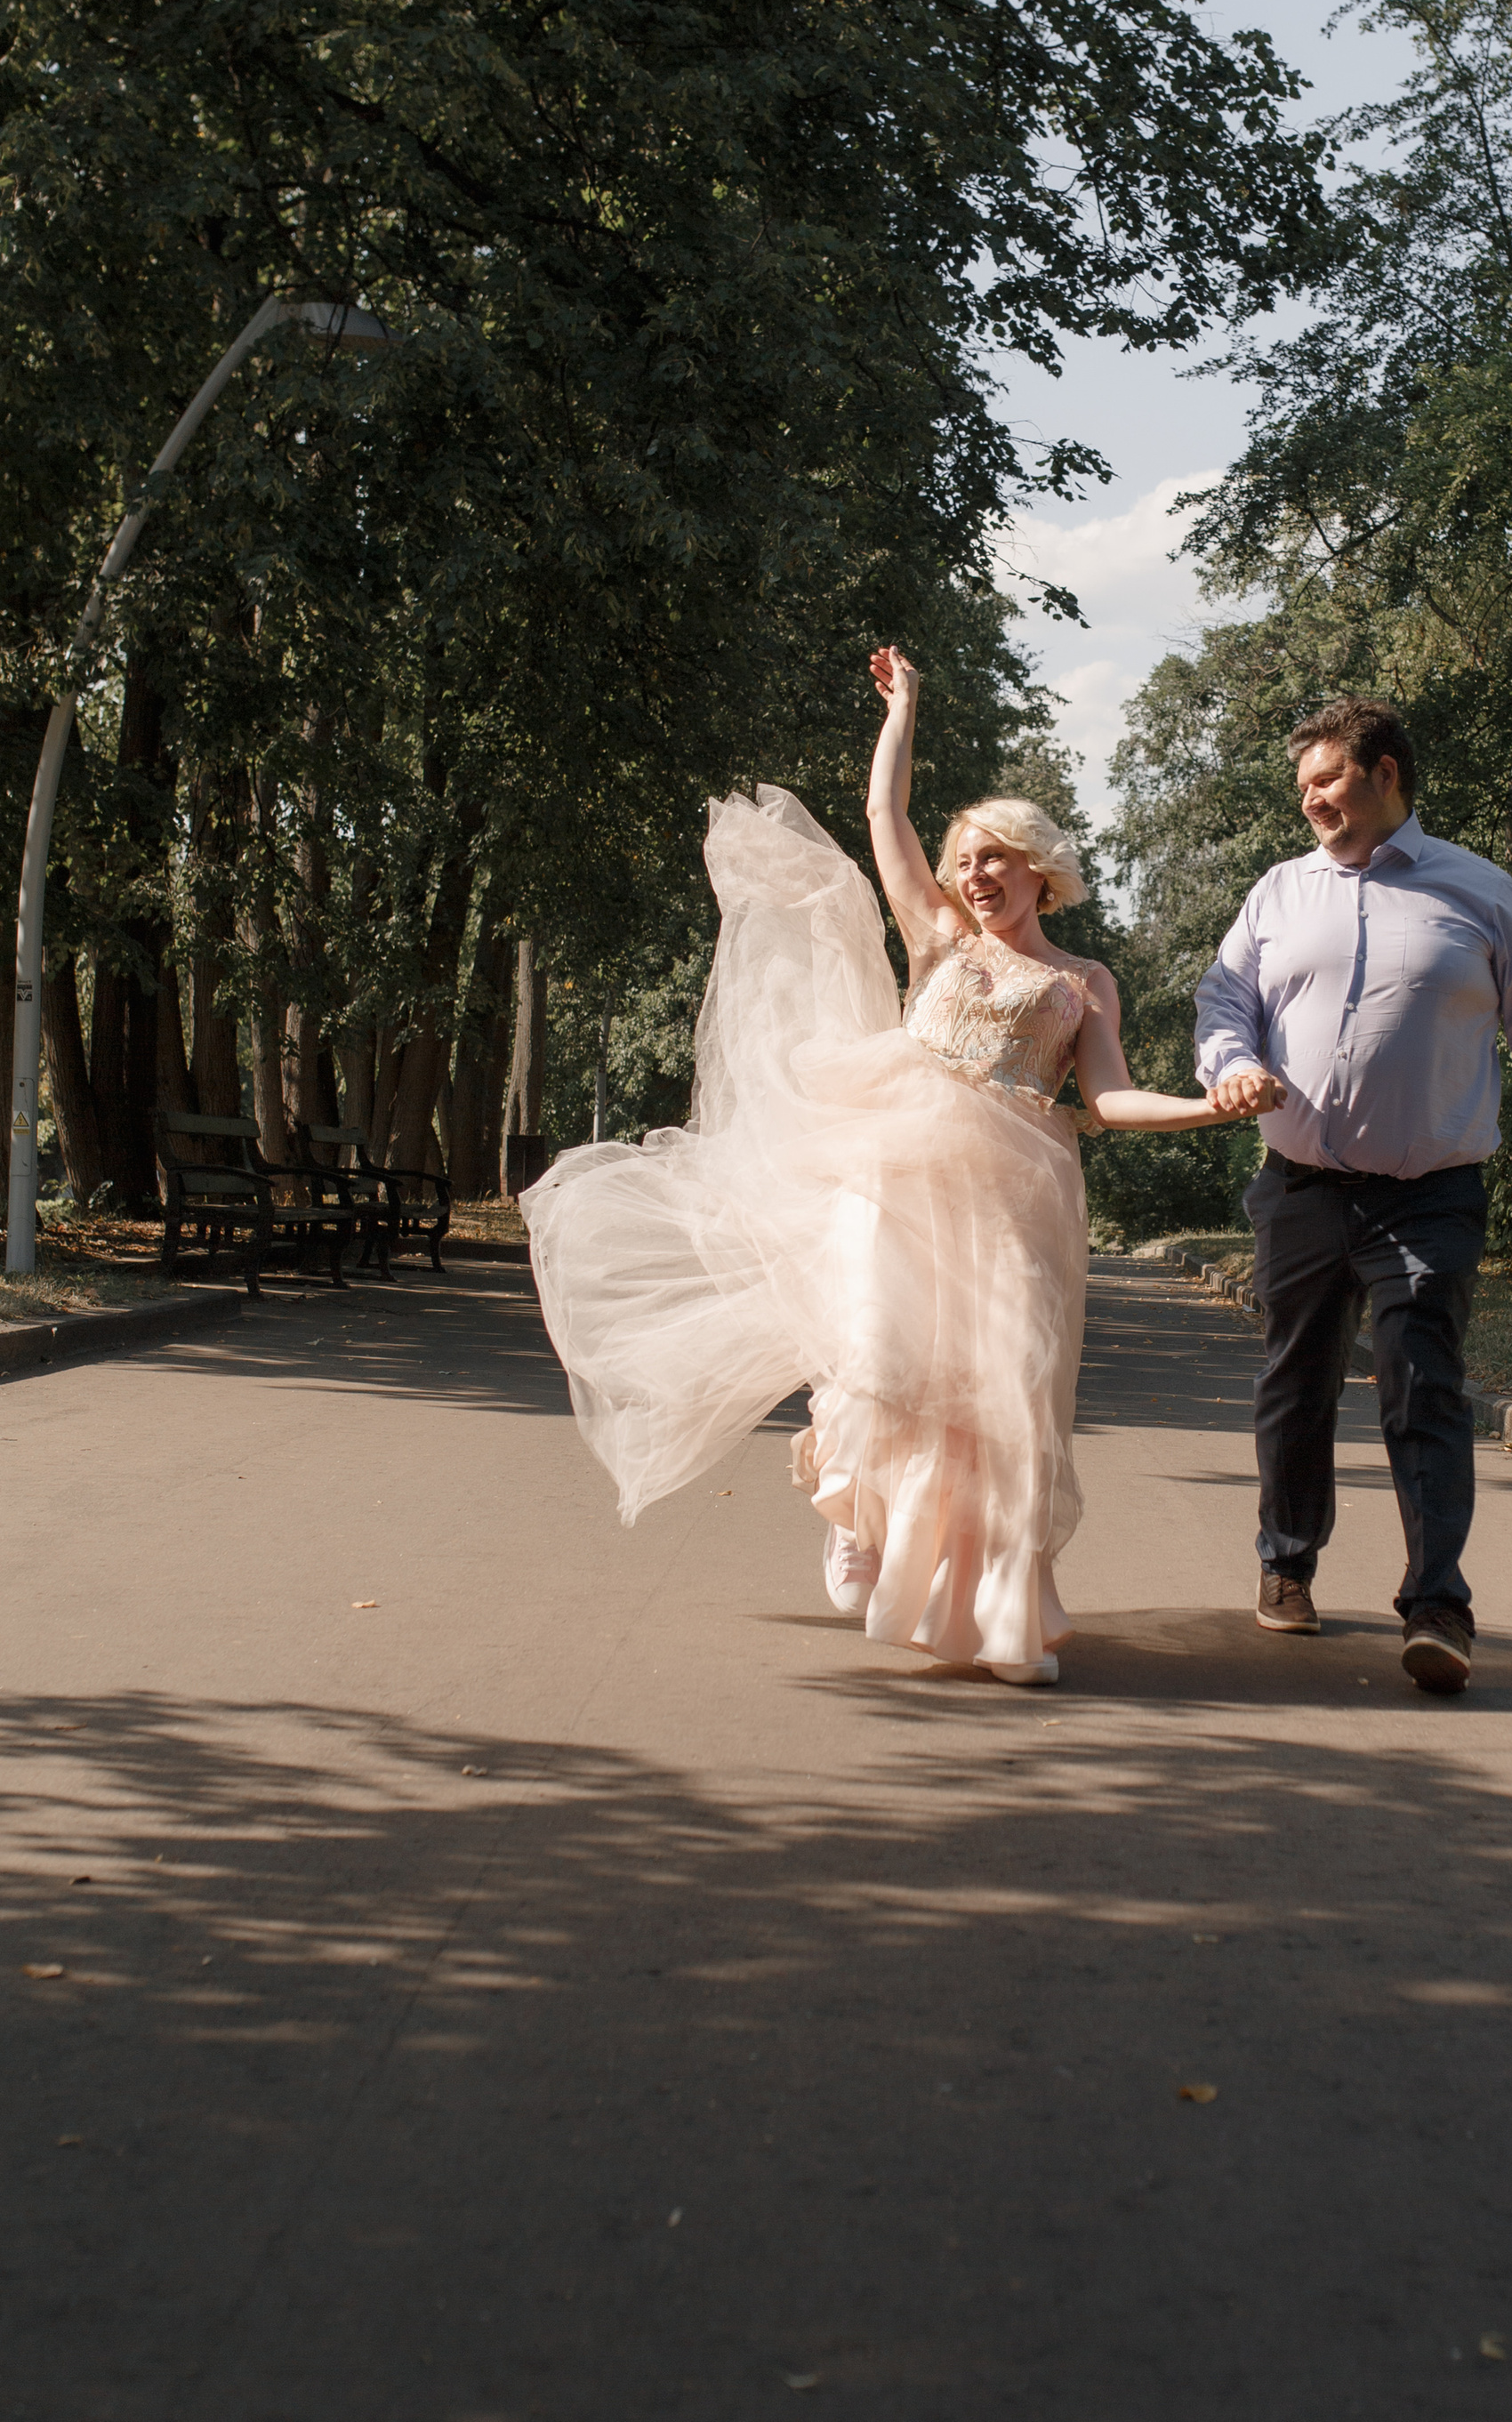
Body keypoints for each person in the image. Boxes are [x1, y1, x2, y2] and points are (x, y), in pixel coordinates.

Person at [526, 645, 1270, 1689]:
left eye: (993, 858)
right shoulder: (938, 939)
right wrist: (903, 709)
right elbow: (887, 821)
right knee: (884, 1365)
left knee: (1006, 1391)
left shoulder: (1085, 980)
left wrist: (1210, 1102)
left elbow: (1103, 1098)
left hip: (1019, 1191)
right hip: (899, 1170)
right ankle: (864, 1523)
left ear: (1036, 868)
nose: (974, 875)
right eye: (964, 860)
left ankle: (1002, 1612)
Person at [1193, 696, 1512, 1697]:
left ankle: (1437, 1605)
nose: (1311, 801)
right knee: (1296, 1381)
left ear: (1385, 772)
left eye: (1326, 778)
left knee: (1423, 1384)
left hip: (1429, 1194)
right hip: (1297, 1189)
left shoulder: (1482, 892)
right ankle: (1286, 1561)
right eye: (1302, 788)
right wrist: (1231, 1061)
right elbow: (1221, 1000)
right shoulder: (1278, 894)